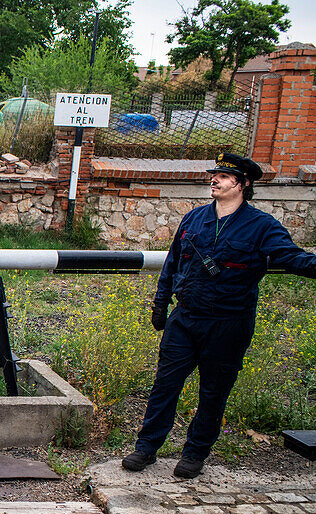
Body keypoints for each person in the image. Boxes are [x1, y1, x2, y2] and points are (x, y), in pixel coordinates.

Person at [122, 153, 316, 478]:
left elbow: (294, 258)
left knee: (213, 392)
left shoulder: (262, 226)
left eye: (225, 177)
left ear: (243, 184)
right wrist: (160, 302)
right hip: (185, 319)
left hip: (229, 324)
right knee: (164, 385)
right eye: (215, 175)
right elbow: (173, 263)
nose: (215, 180)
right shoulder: (195, 219)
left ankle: (195, 453)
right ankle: (146, 448)